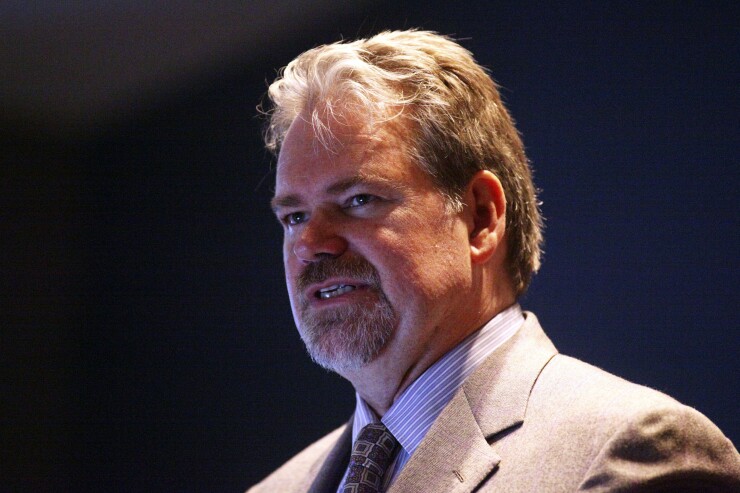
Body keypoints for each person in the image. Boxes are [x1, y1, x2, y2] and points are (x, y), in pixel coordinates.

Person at [249, 30, 739, 492]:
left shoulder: (631, 453)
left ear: (481, 217)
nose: (310, 243)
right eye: (294, 216)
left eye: (359, 200)